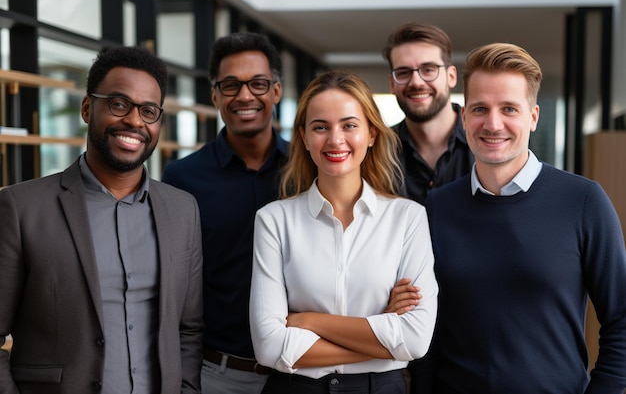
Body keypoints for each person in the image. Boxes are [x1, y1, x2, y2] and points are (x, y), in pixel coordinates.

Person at [422, 42, 626, 393]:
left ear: (533, 117)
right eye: (480, 108)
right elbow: (427, 323)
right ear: (464, 116)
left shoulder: (583, 201)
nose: (493, 123)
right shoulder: (436, 207)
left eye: (509, 109)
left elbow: (621, 319)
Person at [0, 46, 204, 394]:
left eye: (148, 111)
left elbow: (188, 328)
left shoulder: (183, 210)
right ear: (86, 108)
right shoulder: (21, 208)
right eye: (119, 103)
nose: (135, 121)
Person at [249, 69, 438, 394]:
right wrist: (384, 340)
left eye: (349, 125)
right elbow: (269, 346)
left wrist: (308, 321)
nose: (335, 139)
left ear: (371, 133)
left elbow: (415, 339)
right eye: (320, 127)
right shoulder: (273, 220)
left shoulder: (407, 218)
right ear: (305, 137)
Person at [161, 32, 288, 394]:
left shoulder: (308, 169)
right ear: (215, 95)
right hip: (218, 374)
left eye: (258, 84)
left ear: (276, 91)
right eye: (231, 85)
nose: (245, 95)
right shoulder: (182, 177)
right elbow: (175, 283)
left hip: (303, 370)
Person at [382, 22, 474, 204]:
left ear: (451, 76)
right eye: (403, 73)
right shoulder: (378, 151)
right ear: (392, 84)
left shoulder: (485, 141)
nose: (416, 82)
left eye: (428, 70)